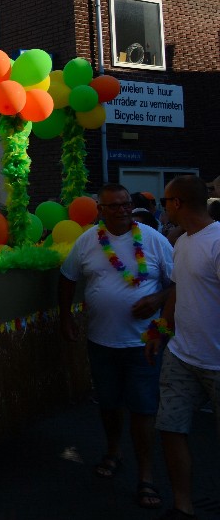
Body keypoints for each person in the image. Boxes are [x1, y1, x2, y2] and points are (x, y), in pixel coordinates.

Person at [58, 183, 174, 510]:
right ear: (100, 210)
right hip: (101, 341)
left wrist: (156, 299)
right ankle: (113, 450)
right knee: (108, 403)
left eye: (125, 204)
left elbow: (177, 283)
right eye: (114, 206)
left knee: (143, 409)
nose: (122, 210)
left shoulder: (153, 239)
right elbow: (67, 278)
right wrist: (64, 317)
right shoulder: (88, 241)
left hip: (143, 344)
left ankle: (146, 476)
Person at [146, 175, 220, 520]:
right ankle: (182, 506)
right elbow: (176, 288)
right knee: (170, 427)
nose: (162, 207)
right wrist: (161, 330)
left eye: (165, 201)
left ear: (177, 204)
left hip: (217, 363)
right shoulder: (182, 241)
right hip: (181, 356)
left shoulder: (217, 242)